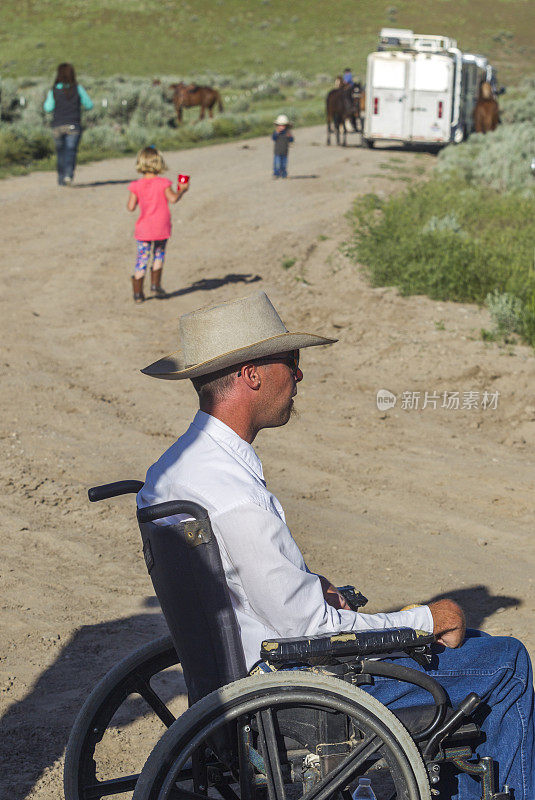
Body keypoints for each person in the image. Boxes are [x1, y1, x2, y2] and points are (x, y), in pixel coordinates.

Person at [138, 291, 535, 799]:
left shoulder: (169, 477)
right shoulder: (235, 495)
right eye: (292, 361)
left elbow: (245, 592)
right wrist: (423, 621)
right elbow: (311, 631)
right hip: (289, 695)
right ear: (252, 374)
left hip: (230, 682)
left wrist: (307, 587)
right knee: (504, 662)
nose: (299, 376)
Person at [127, 146, 188, 303]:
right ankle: (155, 285)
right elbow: (173, 199)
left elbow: (130, 207)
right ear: (159, 163)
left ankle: (138, 293)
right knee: (158, 255)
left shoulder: (135, 185)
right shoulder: (163, 183)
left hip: (144, 229)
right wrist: (181, 190)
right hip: (161, 227)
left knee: (142, 259)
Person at [43, 63, 93, 186]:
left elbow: (48, 107)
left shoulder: (54, 89)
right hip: (73, 125)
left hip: (57, 125)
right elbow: (89, 105)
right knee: (71, 151)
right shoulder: (78, 88)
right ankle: (68, 175)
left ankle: (61, 179)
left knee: (60, 152)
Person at [272, 114, 294, 179]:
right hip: (277, 152)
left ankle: (284, 174)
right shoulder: (276, 133)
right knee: (277, 164)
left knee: (284, 164)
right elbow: (273, 138)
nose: (281, 127)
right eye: (280, 125)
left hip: (285, 151)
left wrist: (290, 137)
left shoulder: (287, 132)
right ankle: (276, 174)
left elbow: (291, 140)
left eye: (283, 125)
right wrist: (276, 133)